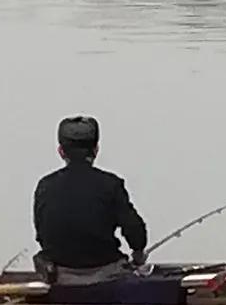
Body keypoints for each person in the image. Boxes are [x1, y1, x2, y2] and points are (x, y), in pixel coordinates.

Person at [34, 115, 149, 276]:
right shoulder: (112, 184)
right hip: (107, 276)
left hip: (59, 278)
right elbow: (135, 230)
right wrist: (138, 254)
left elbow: (42, 236)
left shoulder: (45, 186)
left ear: (61, 151)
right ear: (96, 150)